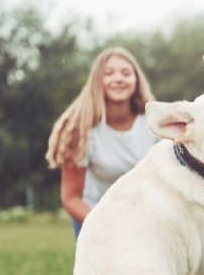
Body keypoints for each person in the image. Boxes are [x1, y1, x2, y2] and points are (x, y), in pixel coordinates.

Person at [45, 46, 157, 238]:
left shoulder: (154, 122)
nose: (118, 78)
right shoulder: (79, 131)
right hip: (94, 217)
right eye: (109, 73)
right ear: (98, 81)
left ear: (136, 80)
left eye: (126, 73)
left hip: (144, 218)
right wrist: (108, 226)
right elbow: (71, 198)